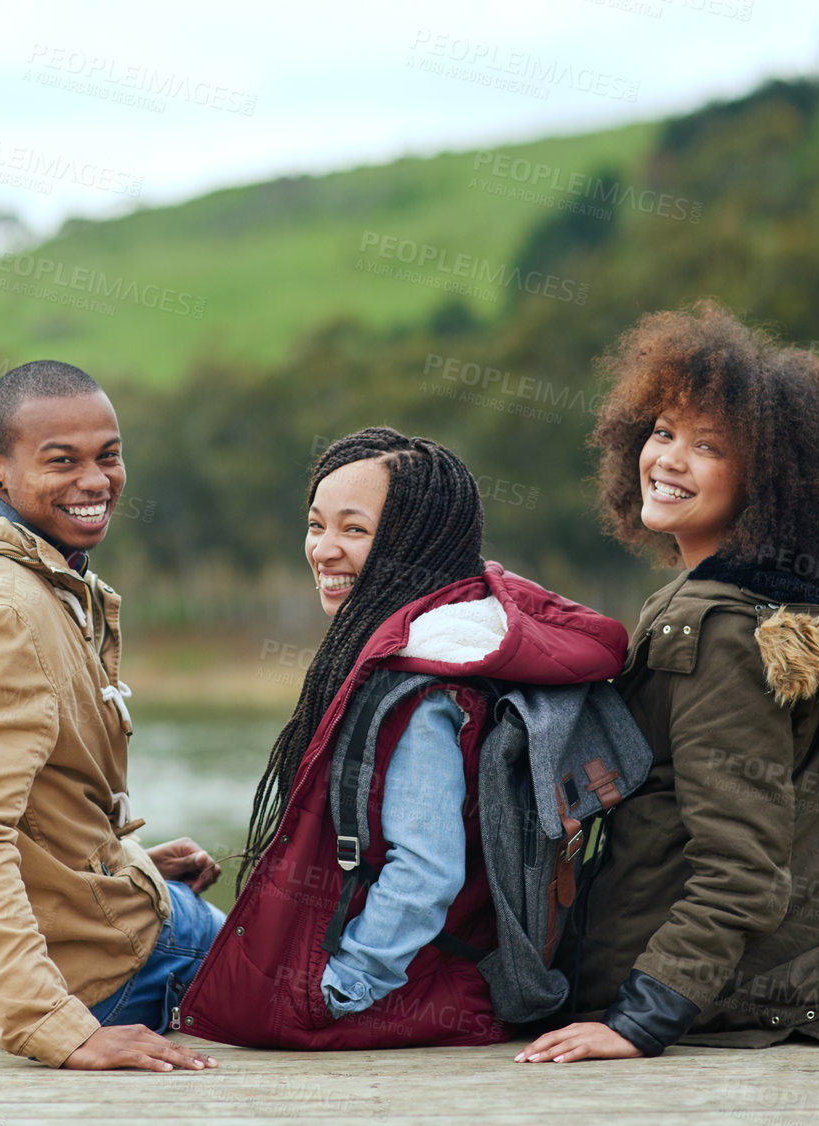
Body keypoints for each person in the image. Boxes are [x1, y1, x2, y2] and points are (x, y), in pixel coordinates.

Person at [519, 303, 819, 1064]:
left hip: (720, 993)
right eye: (663, 431)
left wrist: (639, 1021)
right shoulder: (787, 609)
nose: (669, 459)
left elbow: (741, 867)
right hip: (794, 966)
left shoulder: (718, 630)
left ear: (770, 483)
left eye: (708, 446)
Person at [177, 428, 629, 1048]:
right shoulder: (454, 647)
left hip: (400, 994)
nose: (324, 549)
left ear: (412, 545)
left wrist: (344, 984)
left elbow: (425, 873)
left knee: (157, 943)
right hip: (450, 984)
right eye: (316, 525)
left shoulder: (421, 687)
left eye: (355, 531)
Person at [0, 360, 222, 1072]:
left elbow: (16, 805)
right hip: (67, 981)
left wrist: (131, 866)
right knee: (319, 980)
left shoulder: (8, 563)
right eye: (62, 461)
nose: (95, 481)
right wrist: (54, 1027)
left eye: (108, 456)